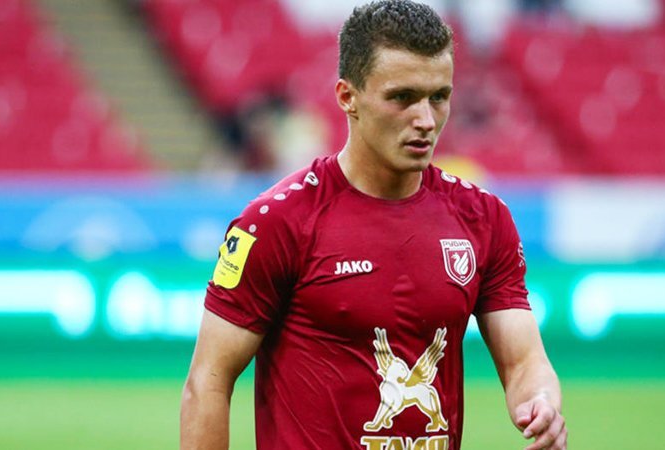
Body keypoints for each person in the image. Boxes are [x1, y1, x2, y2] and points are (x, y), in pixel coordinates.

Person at [181, 1, 567, 449]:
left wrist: (540, 402)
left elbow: (524, 363)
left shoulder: (483, 218)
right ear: (348, 97)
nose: (425, 120)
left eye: (439, 97)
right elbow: (207, 382)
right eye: (402, 97)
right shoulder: (278, 222)